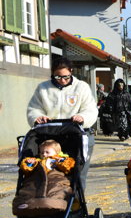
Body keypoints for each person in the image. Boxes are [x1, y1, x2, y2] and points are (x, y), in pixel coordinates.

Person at [27, 57, 98, 187]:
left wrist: (82, 117)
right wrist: (37, 117)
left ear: (71, 71)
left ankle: (76, 202)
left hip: (77, 134)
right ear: (52, 74)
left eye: (66, 77)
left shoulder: (81, 87)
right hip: (50, 136)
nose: (62, 80)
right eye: (58, 77)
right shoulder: (43, 88)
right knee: (47, 170)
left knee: (77, 172)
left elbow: (90, 109)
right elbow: (34, 108)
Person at [12, 140, 75, 217]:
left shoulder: (62, 160)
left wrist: (62, 161)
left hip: (55, 181)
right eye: (42, 152)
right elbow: (25, 170)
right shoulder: (36, 161)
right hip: (35, 183)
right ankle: (26, 202)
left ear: (57, 152)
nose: (44, 154)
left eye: (47, 152)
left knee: (57, 191)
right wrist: (29, 163)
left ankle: (53, 202)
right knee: (28, 191)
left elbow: (69, 167)